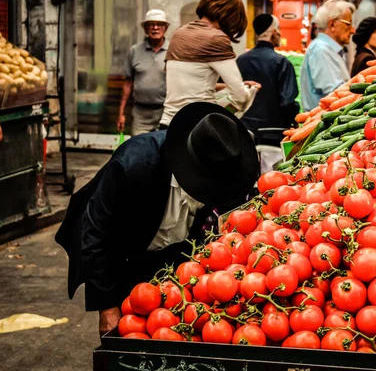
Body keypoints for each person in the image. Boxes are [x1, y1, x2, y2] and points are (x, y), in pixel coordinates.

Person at [54, 102, 259, 336]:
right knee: (129, 334)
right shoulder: (133, 167)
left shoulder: (223, 166)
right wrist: (106, 306)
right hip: (124, 253)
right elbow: (94, 232)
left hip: (175, 255)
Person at [159, 0, 260, 128]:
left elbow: (192, 83)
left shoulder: (179, 34)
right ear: (230, 17)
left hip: (168, 124)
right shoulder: (216, 38)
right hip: (197, 127)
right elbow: (240, 97)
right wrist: (249, 91)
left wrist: (225, 87)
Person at [236, 14, 299, 146]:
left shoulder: (241, 60)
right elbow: (287, 101)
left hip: (244, 130)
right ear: (274, 33)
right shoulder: (281, 62)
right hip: (274, 134)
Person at [117, 9, 169, 136]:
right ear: (145, 29)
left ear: (165, 28)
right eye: (151, 24)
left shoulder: (173, 50)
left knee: (164, 150)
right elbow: (128, 83)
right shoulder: (135, 51)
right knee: (138, 149)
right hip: (140, 113)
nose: (155, 28)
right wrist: (121, 114)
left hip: (165, 112)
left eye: (159, 24)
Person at [300, 0, 356, 111]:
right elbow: (335, 94)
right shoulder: (322, 50)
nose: (352, 30)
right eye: (348, 24)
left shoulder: (329, 50)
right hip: (322, 123)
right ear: (332, 25)